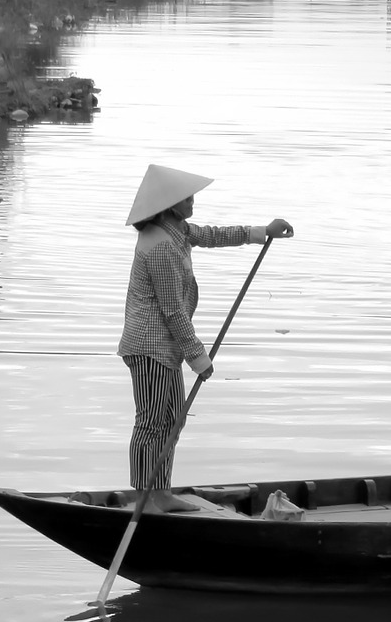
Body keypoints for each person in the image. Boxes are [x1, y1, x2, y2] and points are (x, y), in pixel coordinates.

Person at [118, 163, 293, 513]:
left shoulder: (176, 231)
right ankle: (145, 497)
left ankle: (161, 492)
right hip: (149, 346)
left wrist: (262, 231)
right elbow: (172, 311)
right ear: (169, 204)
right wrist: (199, 358)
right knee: (152, 422)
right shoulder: (159, 245)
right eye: (187, 198)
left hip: (165, 347)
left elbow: (212, 235)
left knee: (173, 419)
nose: (193, 202)